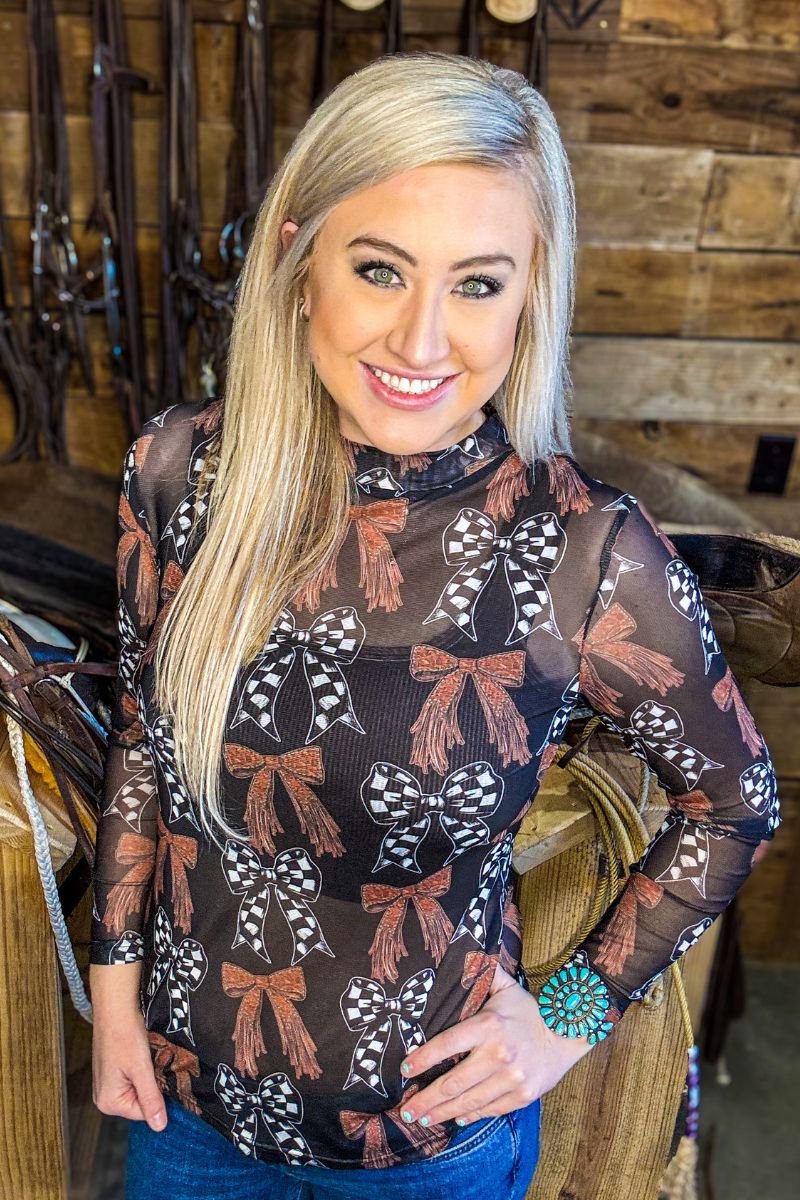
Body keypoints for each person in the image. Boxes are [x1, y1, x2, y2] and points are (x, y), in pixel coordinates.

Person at [88, 50, 781, 1200]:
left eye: (475, 283)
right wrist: (114, 994)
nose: (420, 342)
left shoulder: (581, 551)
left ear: (529, 292)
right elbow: (138, 741)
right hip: (185, 1113)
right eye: (379, 269)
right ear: (297, 264)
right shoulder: (175, 473)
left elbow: (734, 799)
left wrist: (563, 1020)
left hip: (424, 1150)